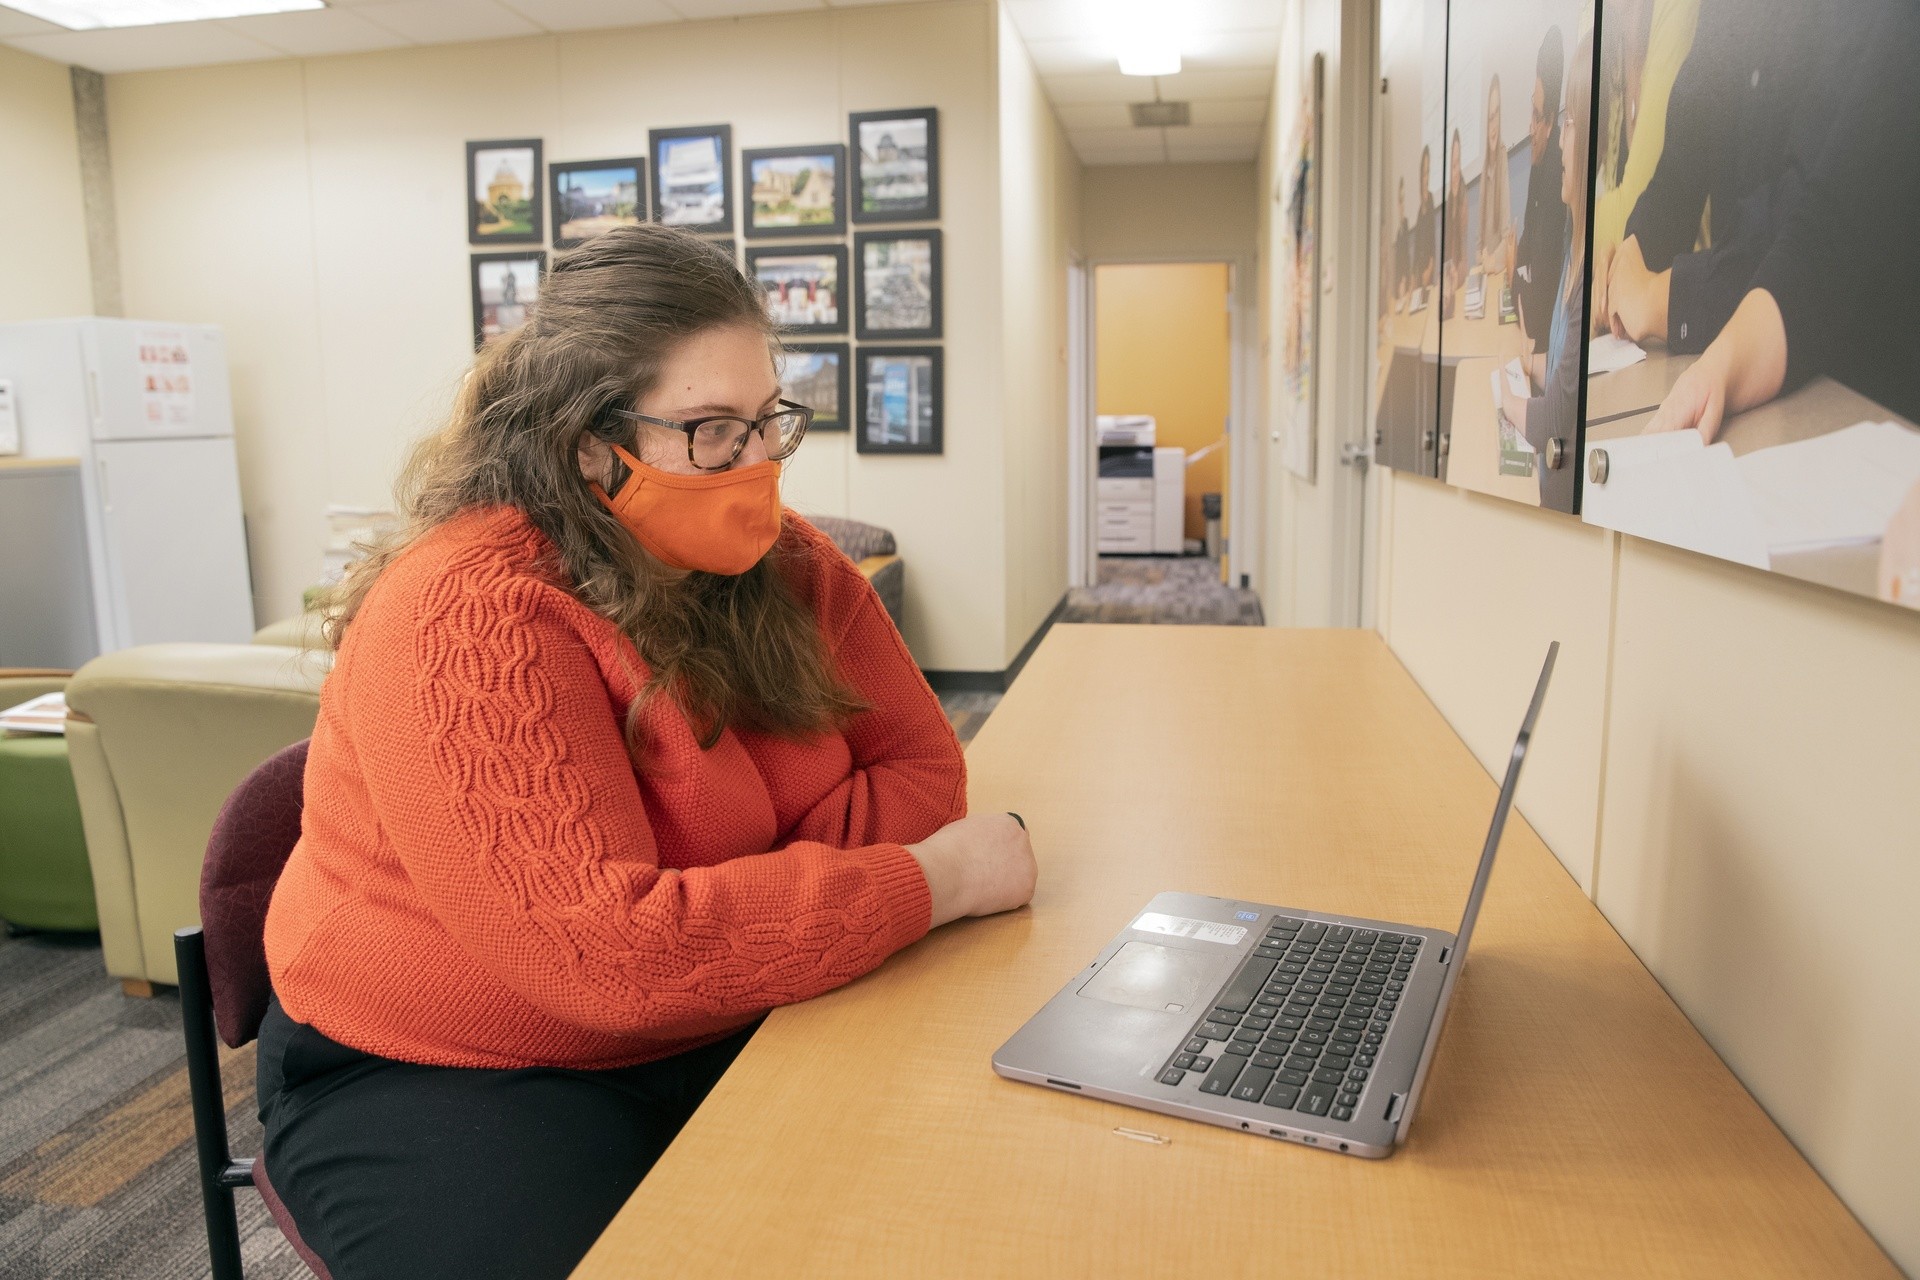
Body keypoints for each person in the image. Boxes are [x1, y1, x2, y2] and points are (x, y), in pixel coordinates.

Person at [256, 224, 1038, 1279]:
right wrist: (929, 879)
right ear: (588, 442)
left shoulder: (786, 561)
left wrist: (703, 910)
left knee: (936, 1210)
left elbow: (922, 768)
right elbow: (608, 960)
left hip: (721, 1000)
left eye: (769, 421)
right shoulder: (466, 615)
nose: (756, 464)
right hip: (453, 1060)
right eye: (712, 429)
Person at [1642, 0, 1920, 441]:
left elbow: (1822, 215)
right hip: (1780, 351)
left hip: (1865, 385)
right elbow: (1678, 168)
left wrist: (1667, 300)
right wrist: (1627, 267)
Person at [1599, 0, 1829, 351]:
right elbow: (1679, 167)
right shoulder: (1721, 13)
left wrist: (1659, 298)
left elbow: (1809, 223)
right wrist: (1632, 254)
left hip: (1829, 362)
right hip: (1729, 335)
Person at [1501, 30, 1592, 514]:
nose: (1558, 140)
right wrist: (1525, 368)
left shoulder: (1586, 269)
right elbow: (1562, 369)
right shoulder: (1570, 252)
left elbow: (1556, 415)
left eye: (1569, 124)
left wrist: (1505, 398)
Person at [1589, 0, 1700, 332]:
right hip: (1645, 329)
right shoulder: (1614, 61)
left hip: (1694, 302)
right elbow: (1618, 234)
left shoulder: (1676, 10)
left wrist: (1572, 226)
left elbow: (1635, 202)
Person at [1509, 25, 1567, 355]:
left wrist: (1510, 275)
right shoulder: (1537, 163)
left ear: (1550, 123)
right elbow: (1526, 248)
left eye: (1536, 116)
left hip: (1543, 349)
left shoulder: (1555, 172)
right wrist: (1516, 269)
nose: (1530, 128)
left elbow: (1535, 313)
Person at [1477, 74, 1512, 277]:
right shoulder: (1484, 169)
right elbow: (1478, 242)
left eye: (1496, 114)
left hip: (1496, 271)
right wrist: (1481, 258)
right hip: (1485, 271)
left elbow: (1507, 236)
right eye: (1490, 117)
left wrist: (1492, 261)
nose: (1492, 125)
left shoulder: (1502, 156)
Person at [1442, 129, 1471, 314]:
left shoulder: (1463, 195)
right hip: (1448, 280)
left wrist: (1454, 278)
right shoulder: (1448, 199)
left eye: (1458, 163)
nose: (1456, 171)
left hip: (1460, 278)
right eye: (1453, 165)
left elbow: (1463, 260)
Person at [1413, 145, 1438, 295]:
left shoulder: (1431, 200)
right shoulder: (1418, 210)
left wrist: (1430, 267)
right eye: (1424, 173)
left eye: (1428, 173)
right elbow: (1417, 246)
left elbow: (1432, 241)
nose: (1426, 178)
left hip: (1428, 269)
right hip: (1418, 272)